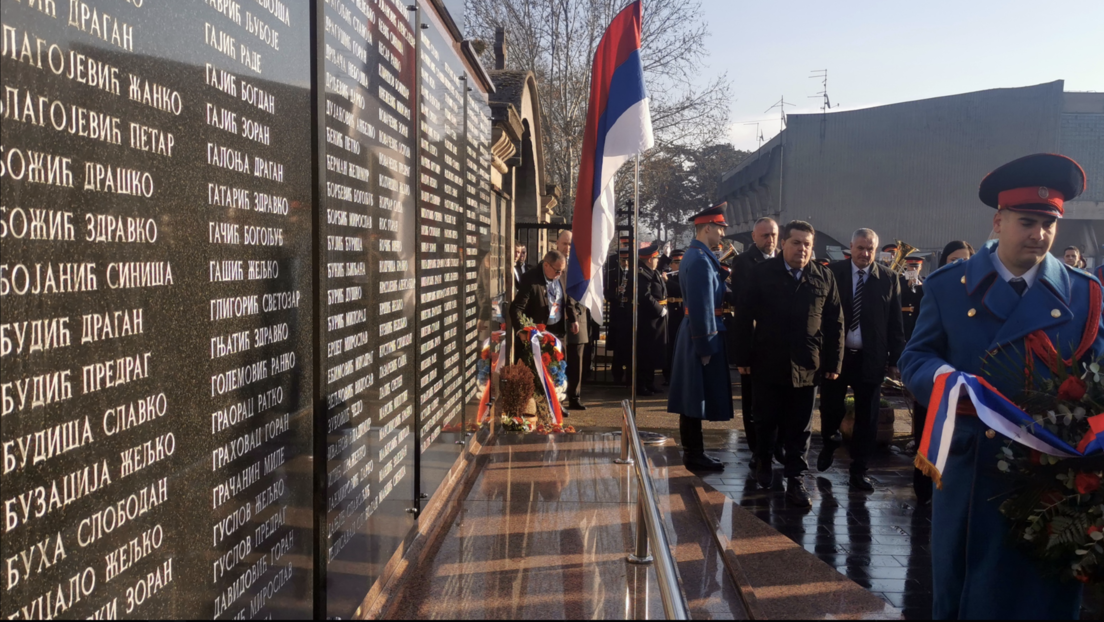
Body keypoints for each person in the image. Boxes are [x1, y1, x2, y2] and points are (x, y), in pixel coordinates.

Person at [900, 153, 1103, 620]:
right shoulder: (950, 286)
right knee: (967, 591)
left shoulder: (1083, 292)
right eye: (1027, 221)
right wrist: (947, 383)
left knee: (1040, 597)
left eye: (1048, 224)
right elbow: (915, 357)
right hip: (973, 467)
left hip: (1051, 475)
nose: (1039, 234)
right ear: (998, 221)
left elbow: (1100, 377)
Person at [734, 221, 844, 507]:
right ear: (783, 243)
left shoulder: (823, 277)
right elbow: (743, 317)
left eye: (808, 244)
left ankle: (796, 478)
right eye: (796, 243)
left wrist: (834, 361)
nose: (802, 249)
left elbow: (835, 323)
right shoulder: (762, 274)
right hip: (768, 360)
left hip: (807, 363)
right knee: (766, 418)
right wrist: (742, 358)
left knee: (800, 425)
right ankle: (764, 460)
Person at [817, 229, 905, 491]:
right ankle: (830, 440)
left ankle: (859, 470)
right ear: (851, 247)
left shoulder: (888, 279)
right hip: (837, 357)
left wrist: (895, 360)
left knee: (868, 417)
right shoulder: (832, 273)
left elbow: (895, 323)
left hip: (871, 358)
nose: (865, 254)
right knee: (831, 408)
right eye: (860, 248)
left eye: (870, 249)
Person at [667, 204, 735, 472]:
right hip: (700, 331)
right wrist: (706, 344)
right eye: (719, 228)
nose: (722, 234)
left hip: (695, 330)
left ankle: (694, 451)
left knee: (692, 395)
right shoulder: (699, 260)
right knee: (693, 397)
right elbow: (702, 305)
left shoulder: (699, 256)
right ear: (707, 227)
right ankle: (694, 453)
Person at [909, 242, 974, 505]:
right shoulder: (936, 290)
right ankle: (924, 490)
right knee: (928, 435)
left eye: (964, 260)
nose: (958, 265)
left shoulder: (979, 294)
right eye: (952, 260)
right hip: (937, 381)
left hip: (968, 392)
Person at [730, 217, 779, 470]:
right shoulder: (744, 262)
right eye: (765, 235)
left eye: (773, 235)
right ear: (754, 237)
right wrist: (743, 355)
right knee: (753, 402)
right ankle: (756, 449)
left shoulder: (784, 259)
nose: (770, 240)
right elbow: (743, 309)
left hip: (779, 344)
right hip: (754, 341)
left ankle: (774, 446)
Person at [510, 250, 579, 361]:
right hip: (538, 332)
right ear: (546, 265)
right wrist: (521, 330)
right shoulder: (530, 278)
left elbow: (567, 298)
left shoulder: (562, 274)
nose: (560, 274)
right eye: (557, 271)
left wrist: (573, 319)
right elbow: (516, 308)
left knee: (557, 369)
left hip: (558, 329)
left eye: (562, 271)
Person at [556, 231, 589, 411]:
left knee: (577, 361)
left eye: (570, 244)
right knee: (559, 360)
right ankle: (558, 399)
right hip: (560, 319)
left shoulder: (580, 264)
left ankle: (575, 397)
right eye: (564, 244)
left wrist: (577, 312)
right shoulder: (553, 263)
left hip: (578, 317)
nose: (567, 248)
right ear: (557, 243)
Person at [636, 242, 668, 396]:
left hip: (657, 319)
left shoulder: (652, 271)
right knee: (645, 354)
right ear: (649, 259)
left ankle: (650, 383)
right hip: (649, 319)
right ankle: (641, 385)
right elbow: (644, 295)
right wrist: (659, 309)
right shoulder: (642, 274)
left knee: (653, 353)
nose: (657, 261)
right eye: (656, 258)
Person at [608, 245, 633, 385]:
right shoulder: (613, 272)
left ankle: (630, 375)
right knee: (617, 346)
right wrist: (616, 292)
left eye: (627, 260)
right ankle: (617, 374)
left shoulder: (634, 272)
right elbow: (606, 292)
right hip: (617, 313)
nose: (626, 263)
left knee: (630, 345)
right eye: (623, 260)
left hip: (629, 313)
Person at [663, 249, 685, 385]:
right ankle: (668, 375)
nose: (679, 265)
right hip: (670, 312)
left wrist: (668, 282)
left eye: (681, 262)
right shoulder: (668, 276)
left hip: (682, 312)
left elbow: (683, 289)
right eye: (676, 262)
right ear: (671, 264)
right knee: (670, 344)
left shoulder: (686, 275)